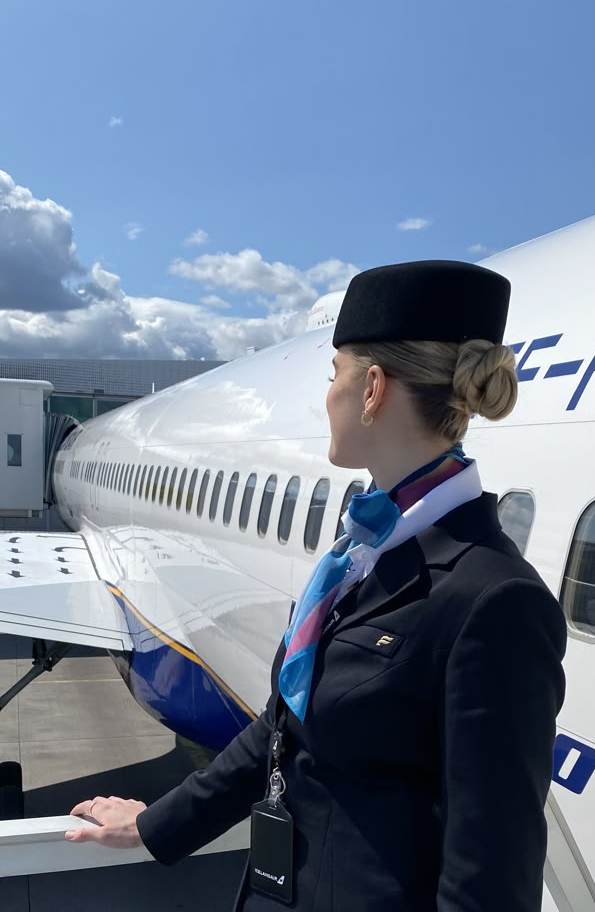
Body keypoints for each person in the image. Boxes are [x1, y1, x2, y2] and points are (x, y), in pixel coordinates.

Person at [66, 260, 567, 911]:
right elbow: (284, 725)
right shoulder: (360, 554)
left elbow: (488, 889)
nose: (325, 396)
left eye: (334, 374)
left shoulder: (494, 601)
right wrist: (155, 823)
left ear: (373, 389)